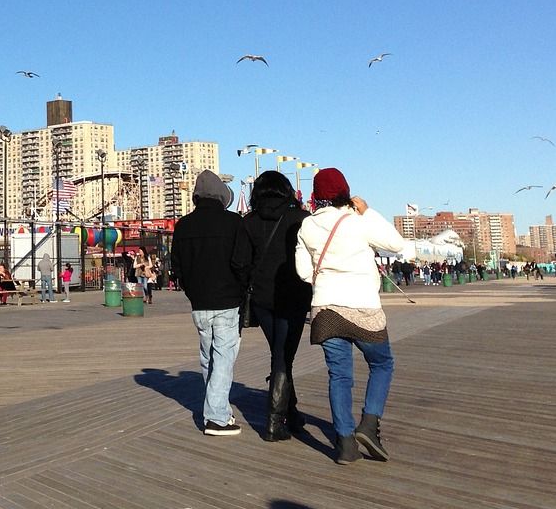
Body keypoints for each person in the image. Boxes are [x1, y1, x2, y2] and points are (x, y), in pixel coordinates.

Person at [295, 167, 405, 465]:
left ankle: (345, 443)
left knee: (339, 375)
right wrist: (367, 212)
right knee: (381, 364)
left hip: (326, 307)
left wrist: (327, 278)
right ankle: (368, 423)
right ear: (345, 190)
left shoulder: (307, 226)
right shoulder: (357, 221)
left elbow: (303, 271)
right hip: (362, 306)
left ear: (316, 195)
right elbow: (396, 245)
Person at [231, 170, 311, 442]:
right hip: (294, 297)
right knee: (283, 356)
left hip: (262, 299)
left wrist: (250, 282)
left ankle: (292, 412)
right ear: (286, 190)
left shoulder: (249, 222)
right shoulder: (301, 219)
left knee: (280, 354)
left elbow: (240, 262)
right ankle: (275, 422)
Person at [172, 170, 244, 437]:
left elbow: (177, 266)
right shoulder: (233, 223)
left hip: (199, 303)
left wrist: (192, 290)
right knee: (224, 358)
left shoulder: (183, 225)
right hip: (227, 300)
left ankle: (219, 408)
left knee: (208, 357)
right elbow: (242, 262)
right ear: (222, 196)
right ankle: (216, 418)